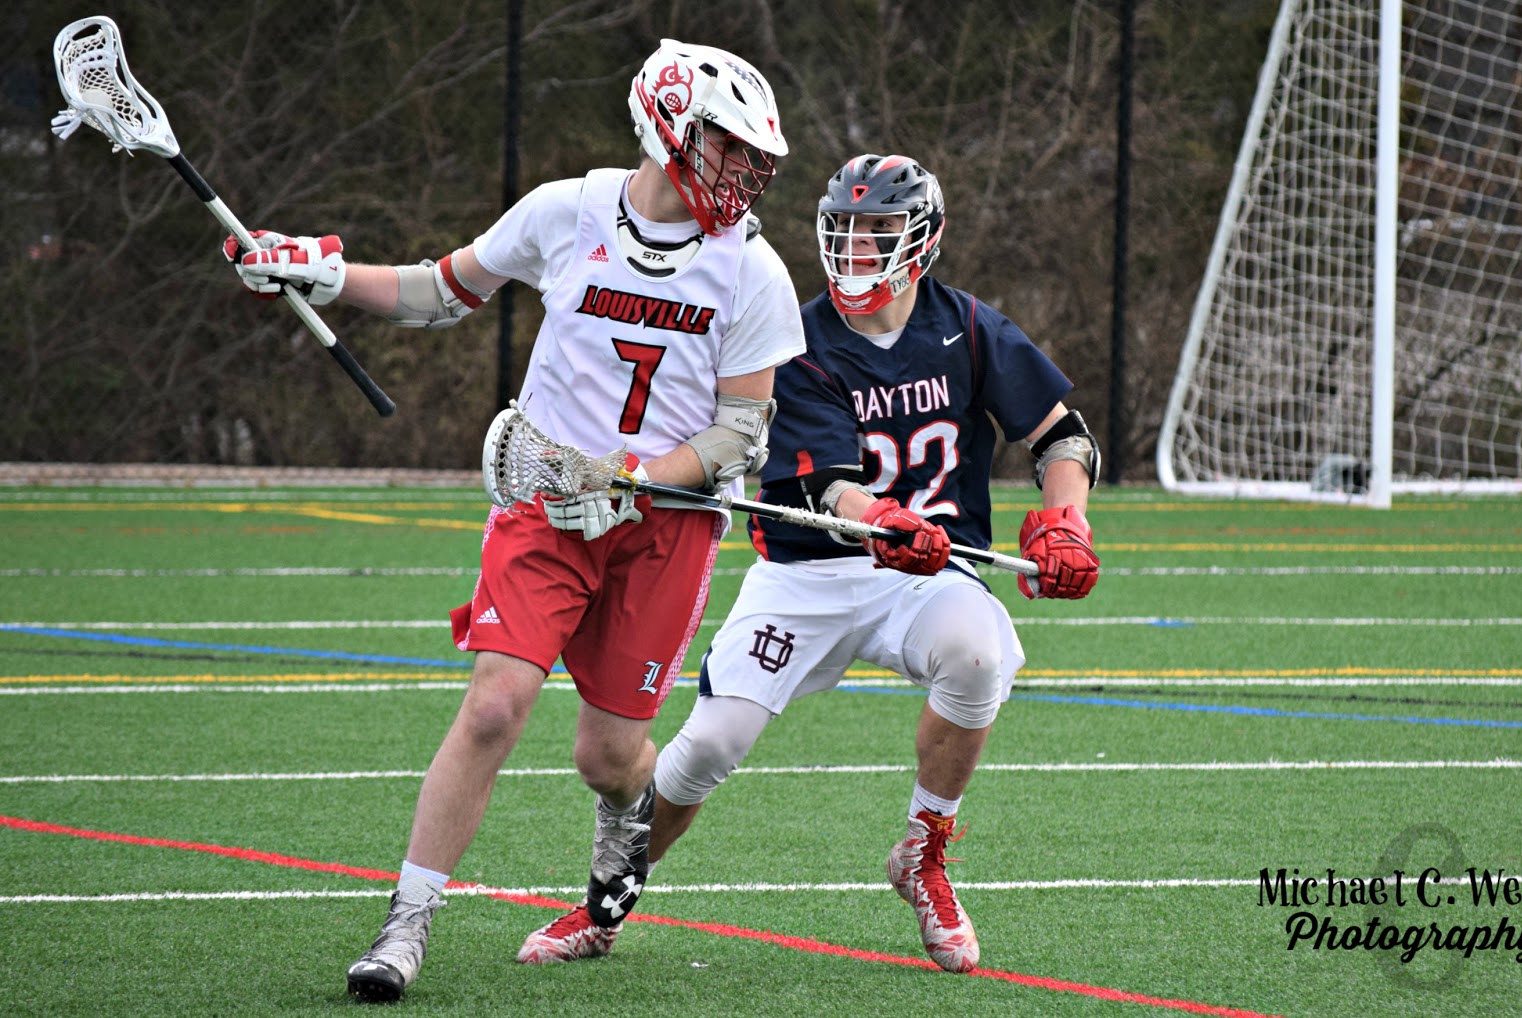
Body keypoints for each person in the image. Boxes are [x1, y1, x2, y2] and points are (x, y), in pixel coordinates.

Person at [223, 40, 805, 1001]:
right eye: (725, 146)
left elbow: (740, 431)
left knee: (608, 756)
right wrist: (320, 274)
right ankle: (405, 926)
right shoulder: (567, 212)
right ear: (668, 126)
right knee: (494, 705)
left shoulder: (752, 272)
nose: (742, 172)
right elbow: (438, 291)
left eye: (753, 156)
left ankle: (625, 819)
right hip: (544, 504)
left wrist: (634, 478)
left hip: (662, 524)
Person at [645, 153, 1100, 974]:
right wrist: (881, 518)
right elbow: (825, 487)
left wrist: (1067, 522)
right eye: (846, 233)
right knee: (711, 745)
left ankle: (923, 853)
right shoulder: (797, 336)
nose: (858, 252)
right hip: (808, 574)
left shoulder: (966, 324)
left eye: (879, 233)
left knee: (979, 655)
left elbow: (1062, 435)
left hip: (924, 574)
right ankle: (612, 888)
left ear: (924, 240)